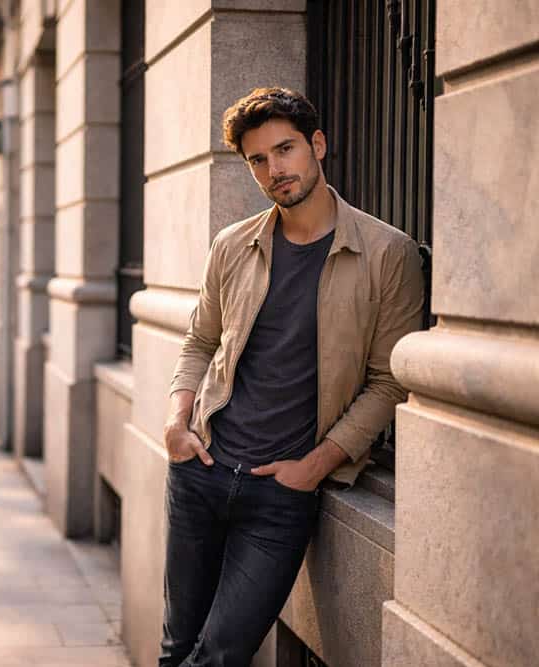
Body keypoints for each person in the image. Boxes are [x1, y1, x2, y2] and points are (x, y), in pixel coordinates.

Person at [160, 87, 424, 666]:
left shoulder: (388, 254)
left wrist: (315, 466)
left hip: (281, 495)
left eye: (285, 150)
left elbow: (389, 381)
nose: (274, 170)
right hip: (200, 472)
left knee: (220, 655)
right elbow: (200, 341)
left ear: (317, 145)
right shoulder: (233, 245)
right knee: (176, 648)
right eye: (258, 159)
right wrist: (177, 424)